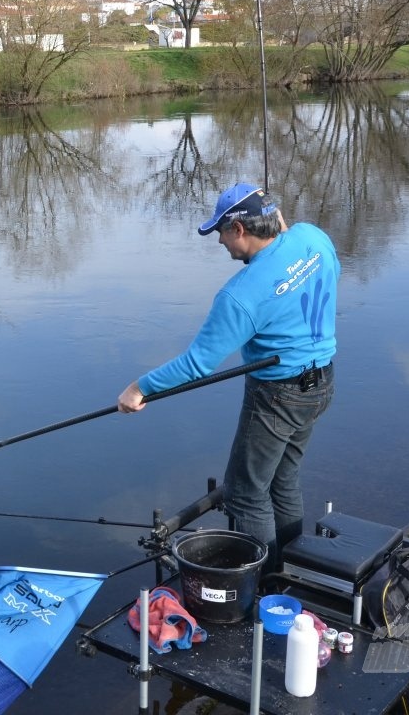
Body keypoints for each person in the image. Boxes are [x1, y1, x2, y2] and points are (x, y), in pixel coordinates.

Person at [117, 183, 339, 568]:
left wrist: (139, 388)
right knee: (283, 480)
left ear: (239, 229)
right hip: (321, 385)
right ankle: (291, 570)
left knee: (246, 494)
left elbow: (197, 364)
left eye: (220, 233)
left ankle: (265, 585)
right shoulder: (312, 238)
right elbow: (310, 255)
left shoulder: (239, 296)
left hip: (277, 396)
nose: (219, 242)